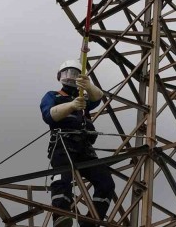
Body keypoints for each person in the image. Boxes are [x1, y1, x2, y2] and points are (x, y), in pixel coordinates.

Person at [40, 60, 115, 227]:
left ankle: (92, 221)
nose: (71, 77)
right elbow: (49, 115)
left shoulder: (82, 98)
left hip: (84, 147)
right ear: (60, 76)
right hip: (63, 144)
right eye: (68, 73)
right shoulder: (53, 96)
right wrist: (71, 106)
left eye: (75, 73)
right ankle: (61, 215)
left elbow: (98, 97)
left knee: (106, 182)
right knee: (62, 178)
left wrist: (88, 86)